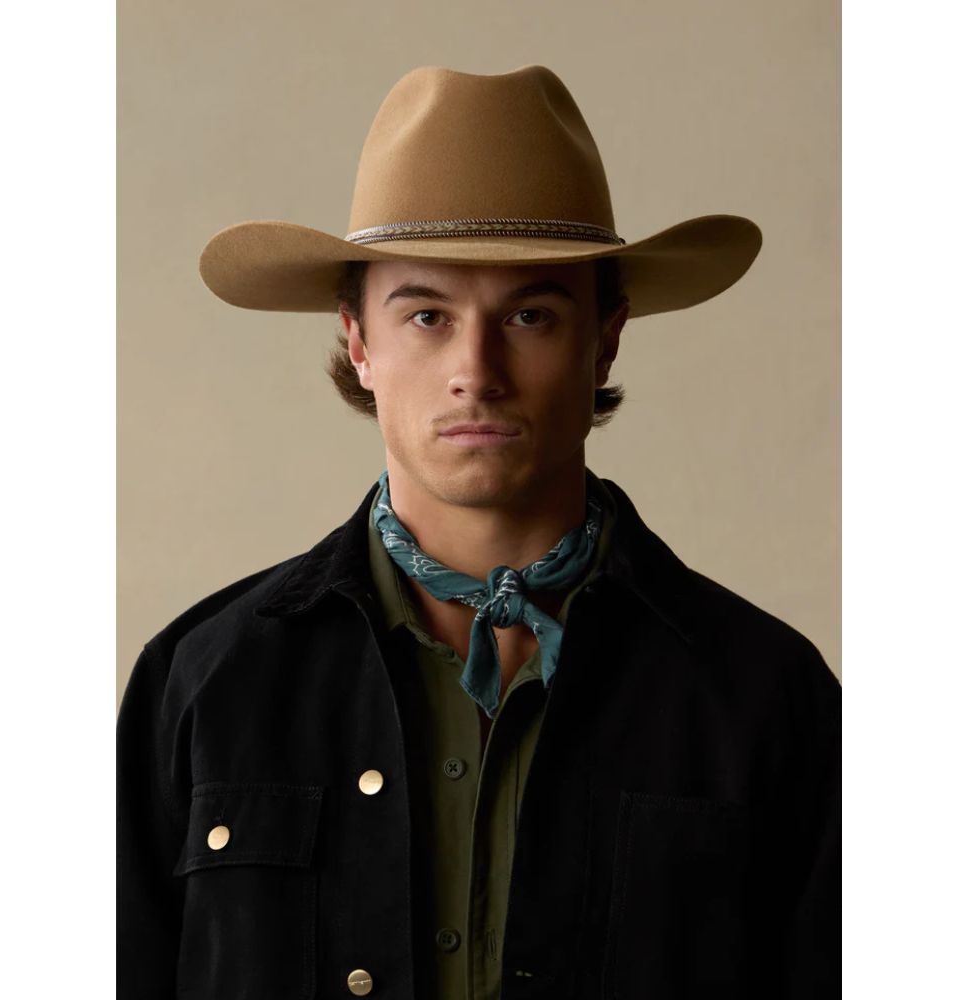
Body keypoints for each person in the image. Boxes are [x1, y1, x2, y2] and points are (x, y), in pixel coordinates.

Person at [117, 65, 839, 1000]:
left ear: (605, 339)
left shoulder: (766, 696)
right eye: (427, 315)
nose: (477, 370)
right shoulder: (204, 681)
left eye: (530, 315)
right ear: (359, 343)